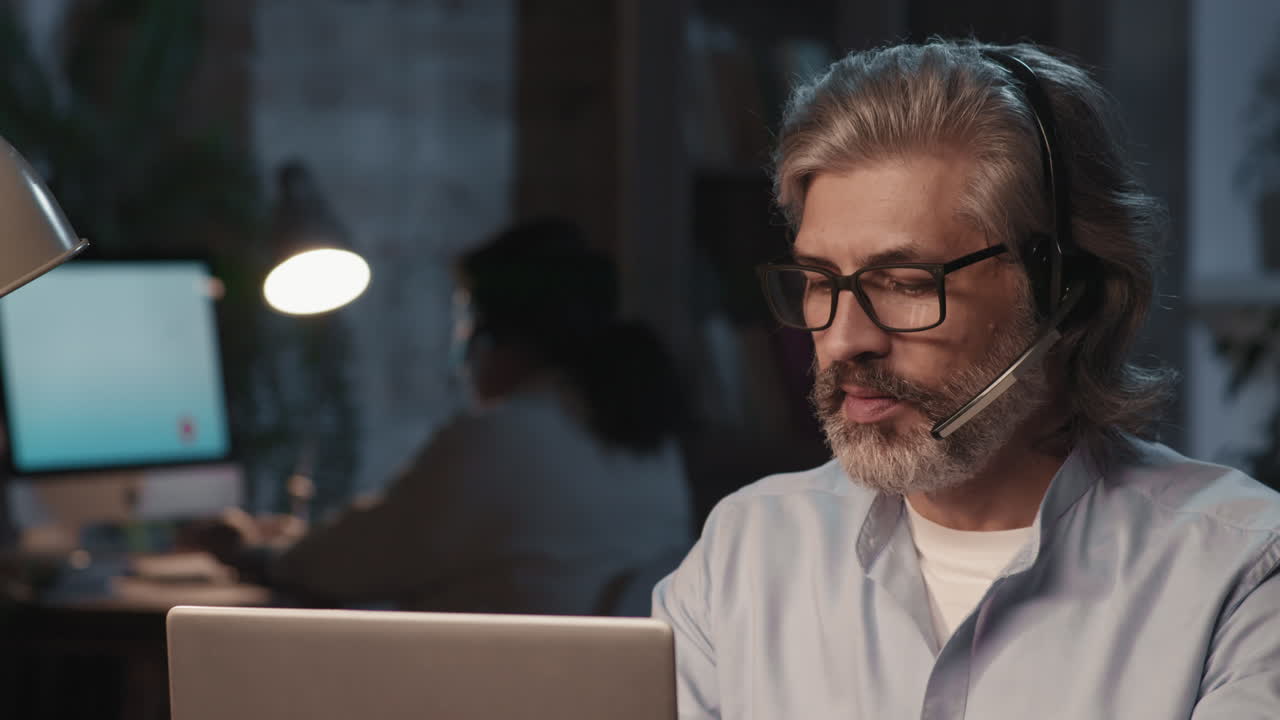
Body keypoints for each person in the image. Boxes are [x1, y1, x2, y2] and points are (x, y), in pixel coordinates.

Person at [653, 40, 1280, 718]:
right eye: (818, 281)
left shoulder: (1242, 573)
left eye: (904, 282)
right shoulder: (743, 554)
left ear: (1067, 292)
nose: (842, 340)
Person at [208, 217, 694, 615]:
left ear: (489, 335)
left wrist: (252, 554)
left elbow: (349, 564)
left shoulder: (503, 439)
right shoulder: (644, 438)